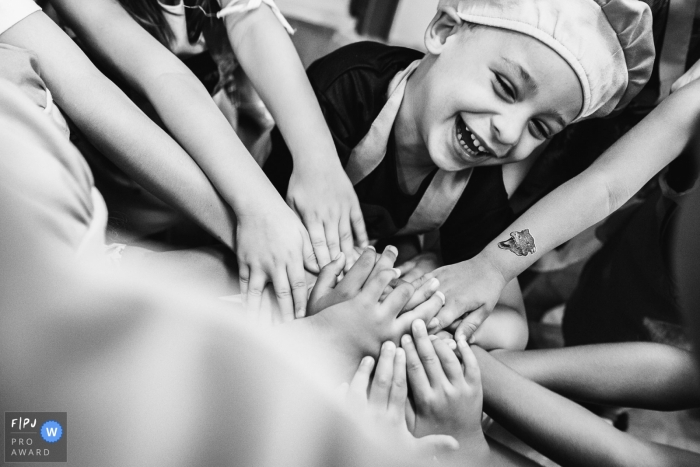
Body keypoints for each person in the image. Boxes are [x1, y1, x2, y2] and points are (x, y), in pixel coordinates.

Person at [261, 0, 654, 349]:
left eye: (539, 128)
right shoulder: (348, 88)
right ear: (443, 31)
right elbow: (274, 230)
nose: (510, 132)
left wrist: (432, 302)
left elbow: (512, 327)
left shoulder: (476, 185)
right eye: (505, 87)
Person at [1, 0, 359, 321]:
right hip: (123, 190)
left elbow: (249, 17)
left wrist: (318, 163)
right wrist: (257, 223)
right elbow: (112, 85)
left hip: (208, 160)